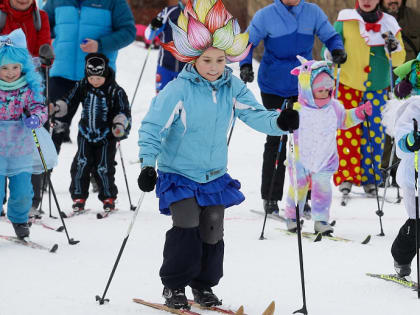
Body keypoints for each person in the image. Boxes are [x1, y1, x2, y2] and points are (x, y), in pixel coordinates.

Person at [137, 0, 299, 310]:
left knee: (212, 228)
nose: (214, 67)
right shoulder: (178, 89)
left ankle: (203, 286)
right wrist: (147, 164)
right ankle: (174, 287)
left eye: (220, 60)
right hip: (179, 173)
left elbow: (256, 114)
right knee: (185, 225)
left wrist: (280, 121)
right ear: (194, 59)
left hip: (213, 174)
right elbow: (152, 128)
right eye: (207, 60)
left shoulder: (231, 87)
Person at [239, 0, 346, 214]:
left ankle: (303, 196)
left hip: (304, 85)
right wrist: (245, 65)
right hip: (274, 84)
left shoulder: (312, 12)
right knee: (276, 138)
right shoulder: (266, 15)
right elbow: (247, 42)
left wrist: (337, 49)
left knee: (305, 140)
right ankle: (271, 197)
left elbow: (330, 35)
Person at [284, 56, 372, 233]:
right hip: (301, 159)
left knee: (322, 191)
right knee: (298, 188)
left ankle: (321, 221)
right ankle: (293, 217)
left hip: (325, 158)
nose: (325, 93)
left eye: (328, 89)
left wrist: (360, 113)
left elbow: (345, 120)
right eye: (320, 90)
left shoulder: (334, 107)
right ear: (308, 89)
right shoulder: (298, 109)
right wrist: (283, 119)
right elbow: (284, 126)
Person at [327, 0, 405, 198]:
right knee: (347, 131)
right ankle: (347, 176)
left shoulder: (389, 24)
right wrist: (334, 54)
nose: (367, 1)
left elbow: (398, 59)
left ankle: (370, 178)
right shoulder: (345, 20)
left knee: (374, 133)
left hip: (377, 87)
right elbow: (328, 47)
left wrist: (393, 46)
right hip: (348, 84)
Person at [43, 0, 136, 152]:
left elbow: (128, 31)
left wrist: (100, 44)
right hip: (61, 75)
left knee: (99, 135)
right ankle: (42, 174)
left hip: (98, 78)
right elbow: (42, 27)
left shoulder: (114, 2)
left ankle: (96, 174)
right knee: (49, 132)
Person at [52, 53, 131, 213]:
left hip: (106, 136)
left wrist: (120, 124)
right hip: (85, 133)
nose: (95, 82)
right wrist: (58, 107)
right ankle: (78, 198)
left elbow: (123, 111)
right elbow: (69, 100)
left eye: (98, 78)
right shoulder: (82, 85)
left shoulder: (116, 91)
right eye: (91, 78)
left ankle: (108, 197)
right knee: (81, 164)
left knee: (103, 167)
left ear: (106, 74)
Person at [0, 29, 57, 239]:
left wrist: (36, 117)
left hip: (20, 147)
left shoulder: (28, 88)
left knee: (23, 192)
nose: (10, 72)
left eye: (15, 67)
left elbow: (39, 108)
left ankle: (19, 219)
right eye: (4, 68)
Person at [380, 0, 420, 188]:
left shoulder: (414, 18)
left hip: (412, 81)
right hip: (383, 77)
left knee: (407, 126)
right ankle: (383, 169)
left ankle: (402, 170)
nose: (392, 1)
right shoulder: (377, 18)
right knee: (387, 126)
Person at [382, 95, 420, 278]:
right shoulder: (415, 106)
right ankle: (401, 258)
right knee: (417, 225)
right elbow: (401, 135)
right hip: (415, 178)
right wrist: (410, 141)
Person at [145, 0, 188, 93]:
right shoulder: (168, 12)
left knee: (183, 102)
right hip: (164, 66)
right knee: (161, 99)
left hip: (187, 70)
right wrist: (153, 26)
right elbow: (149, 35)